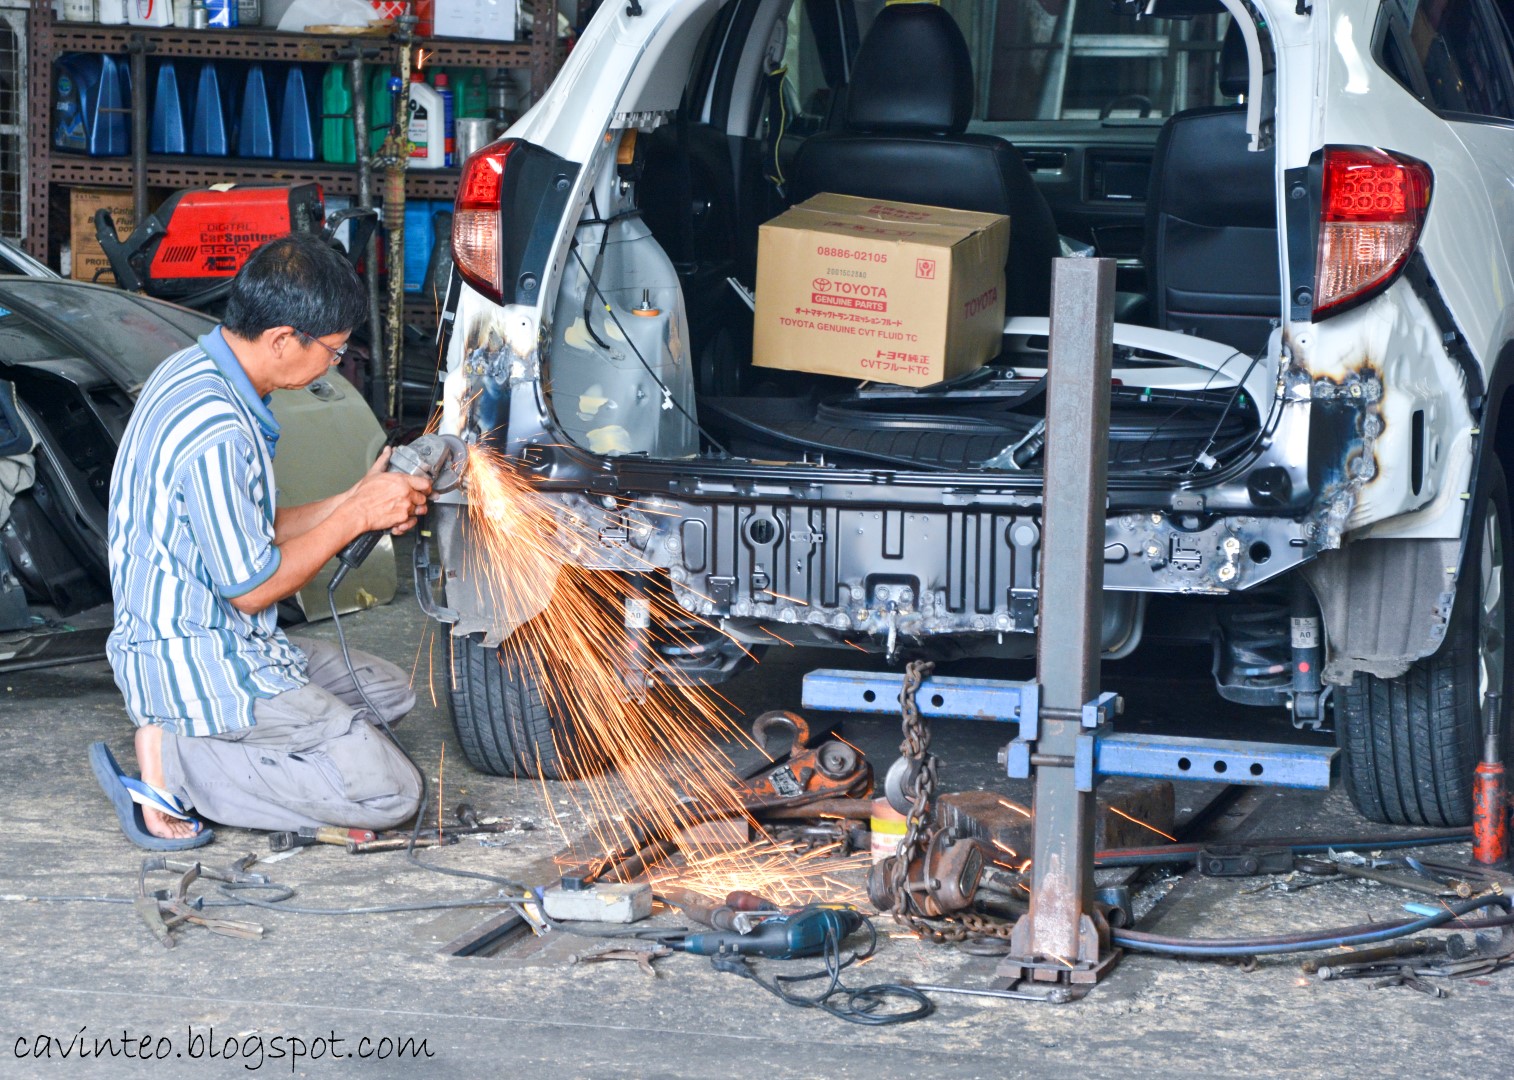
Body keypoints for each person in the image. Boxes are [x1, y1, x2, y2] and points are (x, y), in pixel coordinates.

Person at [90, 234, 429, 850]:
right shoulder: (217, 425)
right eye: (333, 350)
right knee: (390, 794)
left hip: (236, 639)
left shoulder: (202, 367)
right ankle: (177, 757)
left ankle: (236, 745)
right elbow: (252, 588)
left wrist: (358, 500)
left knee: (389, 693)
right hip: (198, 656)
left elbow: (252, 530)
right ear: (281, 339)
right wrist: (352, 520)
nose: (336, 363)